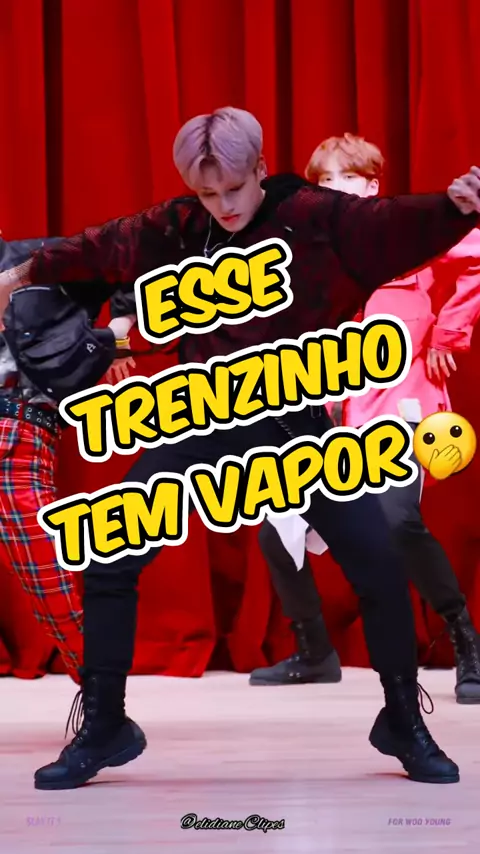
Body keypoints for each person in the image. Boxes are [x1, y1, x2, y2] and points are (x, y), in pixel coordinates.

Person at [1, 107, 480, 790]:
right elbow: (97, 247)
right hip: (200, 422)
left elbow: (391, 222)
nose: (223, 206)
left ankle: (404, 720)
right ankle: (105, 724)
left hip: (295, 428)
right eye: (208, 194)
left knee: (378, 564)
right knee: (111, 553)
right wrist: (16, 278)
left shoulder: (314, 215)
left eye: (234, 188)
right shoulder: (177, 226)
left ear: (260, 168)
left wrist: (455, 207)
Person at [250, 134, 480, 704]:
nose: (336, 189)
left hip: (401, 408)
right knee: (276, 526)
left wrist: (448, 333)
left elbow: (475, 253)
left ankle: (465, 642)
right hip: (331, 413)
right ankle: (314, 651)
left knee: (397, 520)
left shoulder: (408, 232)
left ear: (373, 186)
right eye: (325, 180)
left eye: (348, 177)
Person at [0, 233, 136, 682]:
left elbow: (129, 259)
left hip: (15, 429)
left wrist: (115, 338)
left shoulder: (37, 259)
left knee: (51, 587)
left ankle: (102, 702)